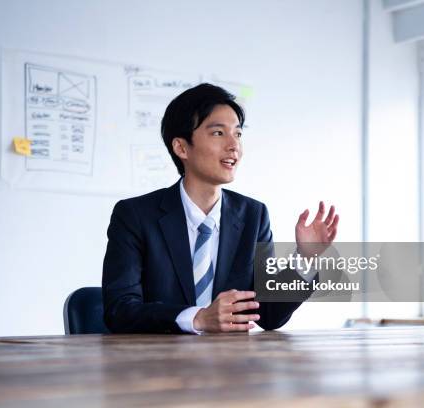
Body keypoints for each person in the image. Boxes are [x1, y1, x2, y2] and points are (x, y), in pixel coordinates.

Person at [102, 83, 339, 334]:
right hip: (157, 368)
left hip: (230, 366)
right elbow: (120, 310)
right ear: (181, 147)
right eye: (218, 133)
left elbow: (268, 314)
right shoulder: (135, 216)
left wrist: (305, 259)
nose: (233, 145)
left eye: (237, 134)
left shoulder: (253, 216)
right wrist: (198, 318)